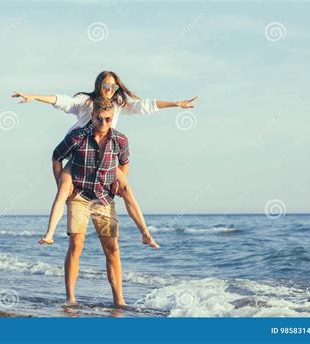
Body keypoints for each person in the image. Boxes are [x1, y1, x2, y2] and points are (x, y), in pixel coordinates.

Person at [11, 71, 197, 247]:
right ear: (99, 85)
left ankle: (145, 234)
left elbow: (145, 105)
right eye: (106, 85)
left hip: (104, 156)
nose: (109, 90)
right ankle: (50, 234)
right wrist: (34, 97)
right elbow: (62, 100)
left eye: (114, 88)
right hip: (78, 154)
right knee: (63, 189)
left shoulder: (116, 105)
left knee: (126, 189)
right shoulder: (85, 102)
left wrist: (176, 104)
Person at [53, 97, 130, 306]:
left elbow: (124, 163)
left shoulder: (120, 140)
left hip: (104, 198)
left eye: (107, 119)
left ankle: (119, 300)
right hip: (78, 196)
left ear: (112, 118)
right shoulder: (77, 137)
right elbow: (56, 156)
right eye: (98, 119)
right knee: (76, 243)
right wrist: (62, 185)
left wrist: (116, 181)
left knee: (112, 247)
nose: (103, 124)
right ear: (92, 116)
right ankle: (70, 298)